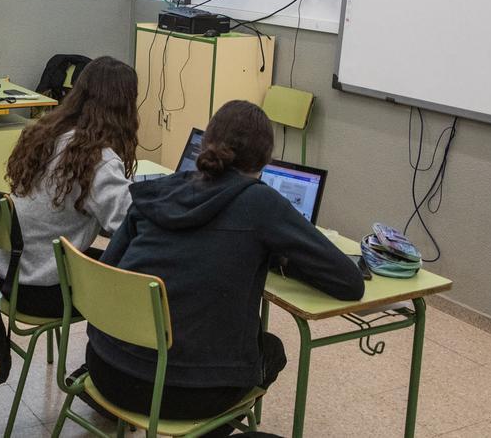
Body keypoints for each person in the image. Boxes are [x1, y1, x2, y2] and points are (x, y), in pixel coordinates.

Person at [86, 100, 366, 423]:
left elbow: (106, 269)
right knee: (271, 351)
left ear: (205, 143)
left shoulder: (156, 191)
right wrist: (284, 254)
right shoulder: (260, 202)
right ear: (264, 161)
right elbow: (350, 281)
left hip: (105, 367)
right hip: (181, 394)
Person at [0, 57, 139, 317]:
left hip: (10, 274)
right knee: (141, 281)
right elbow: (129, 227)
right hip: (41, 289)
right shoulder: (98, 160)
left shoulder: (45, 132)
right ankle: (110, 355)